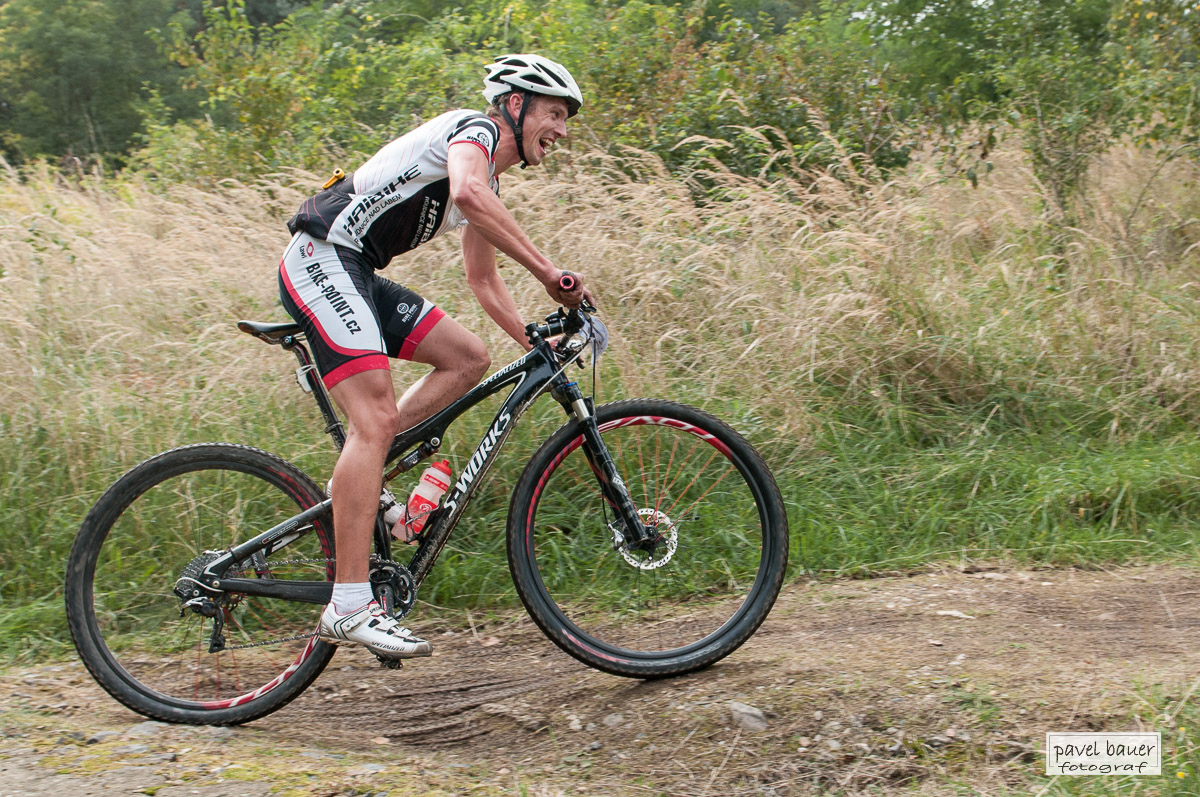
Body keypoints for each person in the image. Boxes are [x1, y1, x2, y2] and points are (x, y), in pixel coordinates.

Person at [277, 54, 594, 661]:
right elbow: (466, 193)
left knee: (467, 358)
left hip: (354, 269)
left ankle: (365, 479)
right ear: (516, 104)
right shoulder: (474, 133)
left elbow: (482, 279)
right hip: (321, 258)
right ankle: (348, 606)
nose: (560, 130)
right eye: (554, 114)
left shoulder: (487, 179)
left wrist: (533, 341)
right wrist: (550, 273)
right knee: (374, 420)